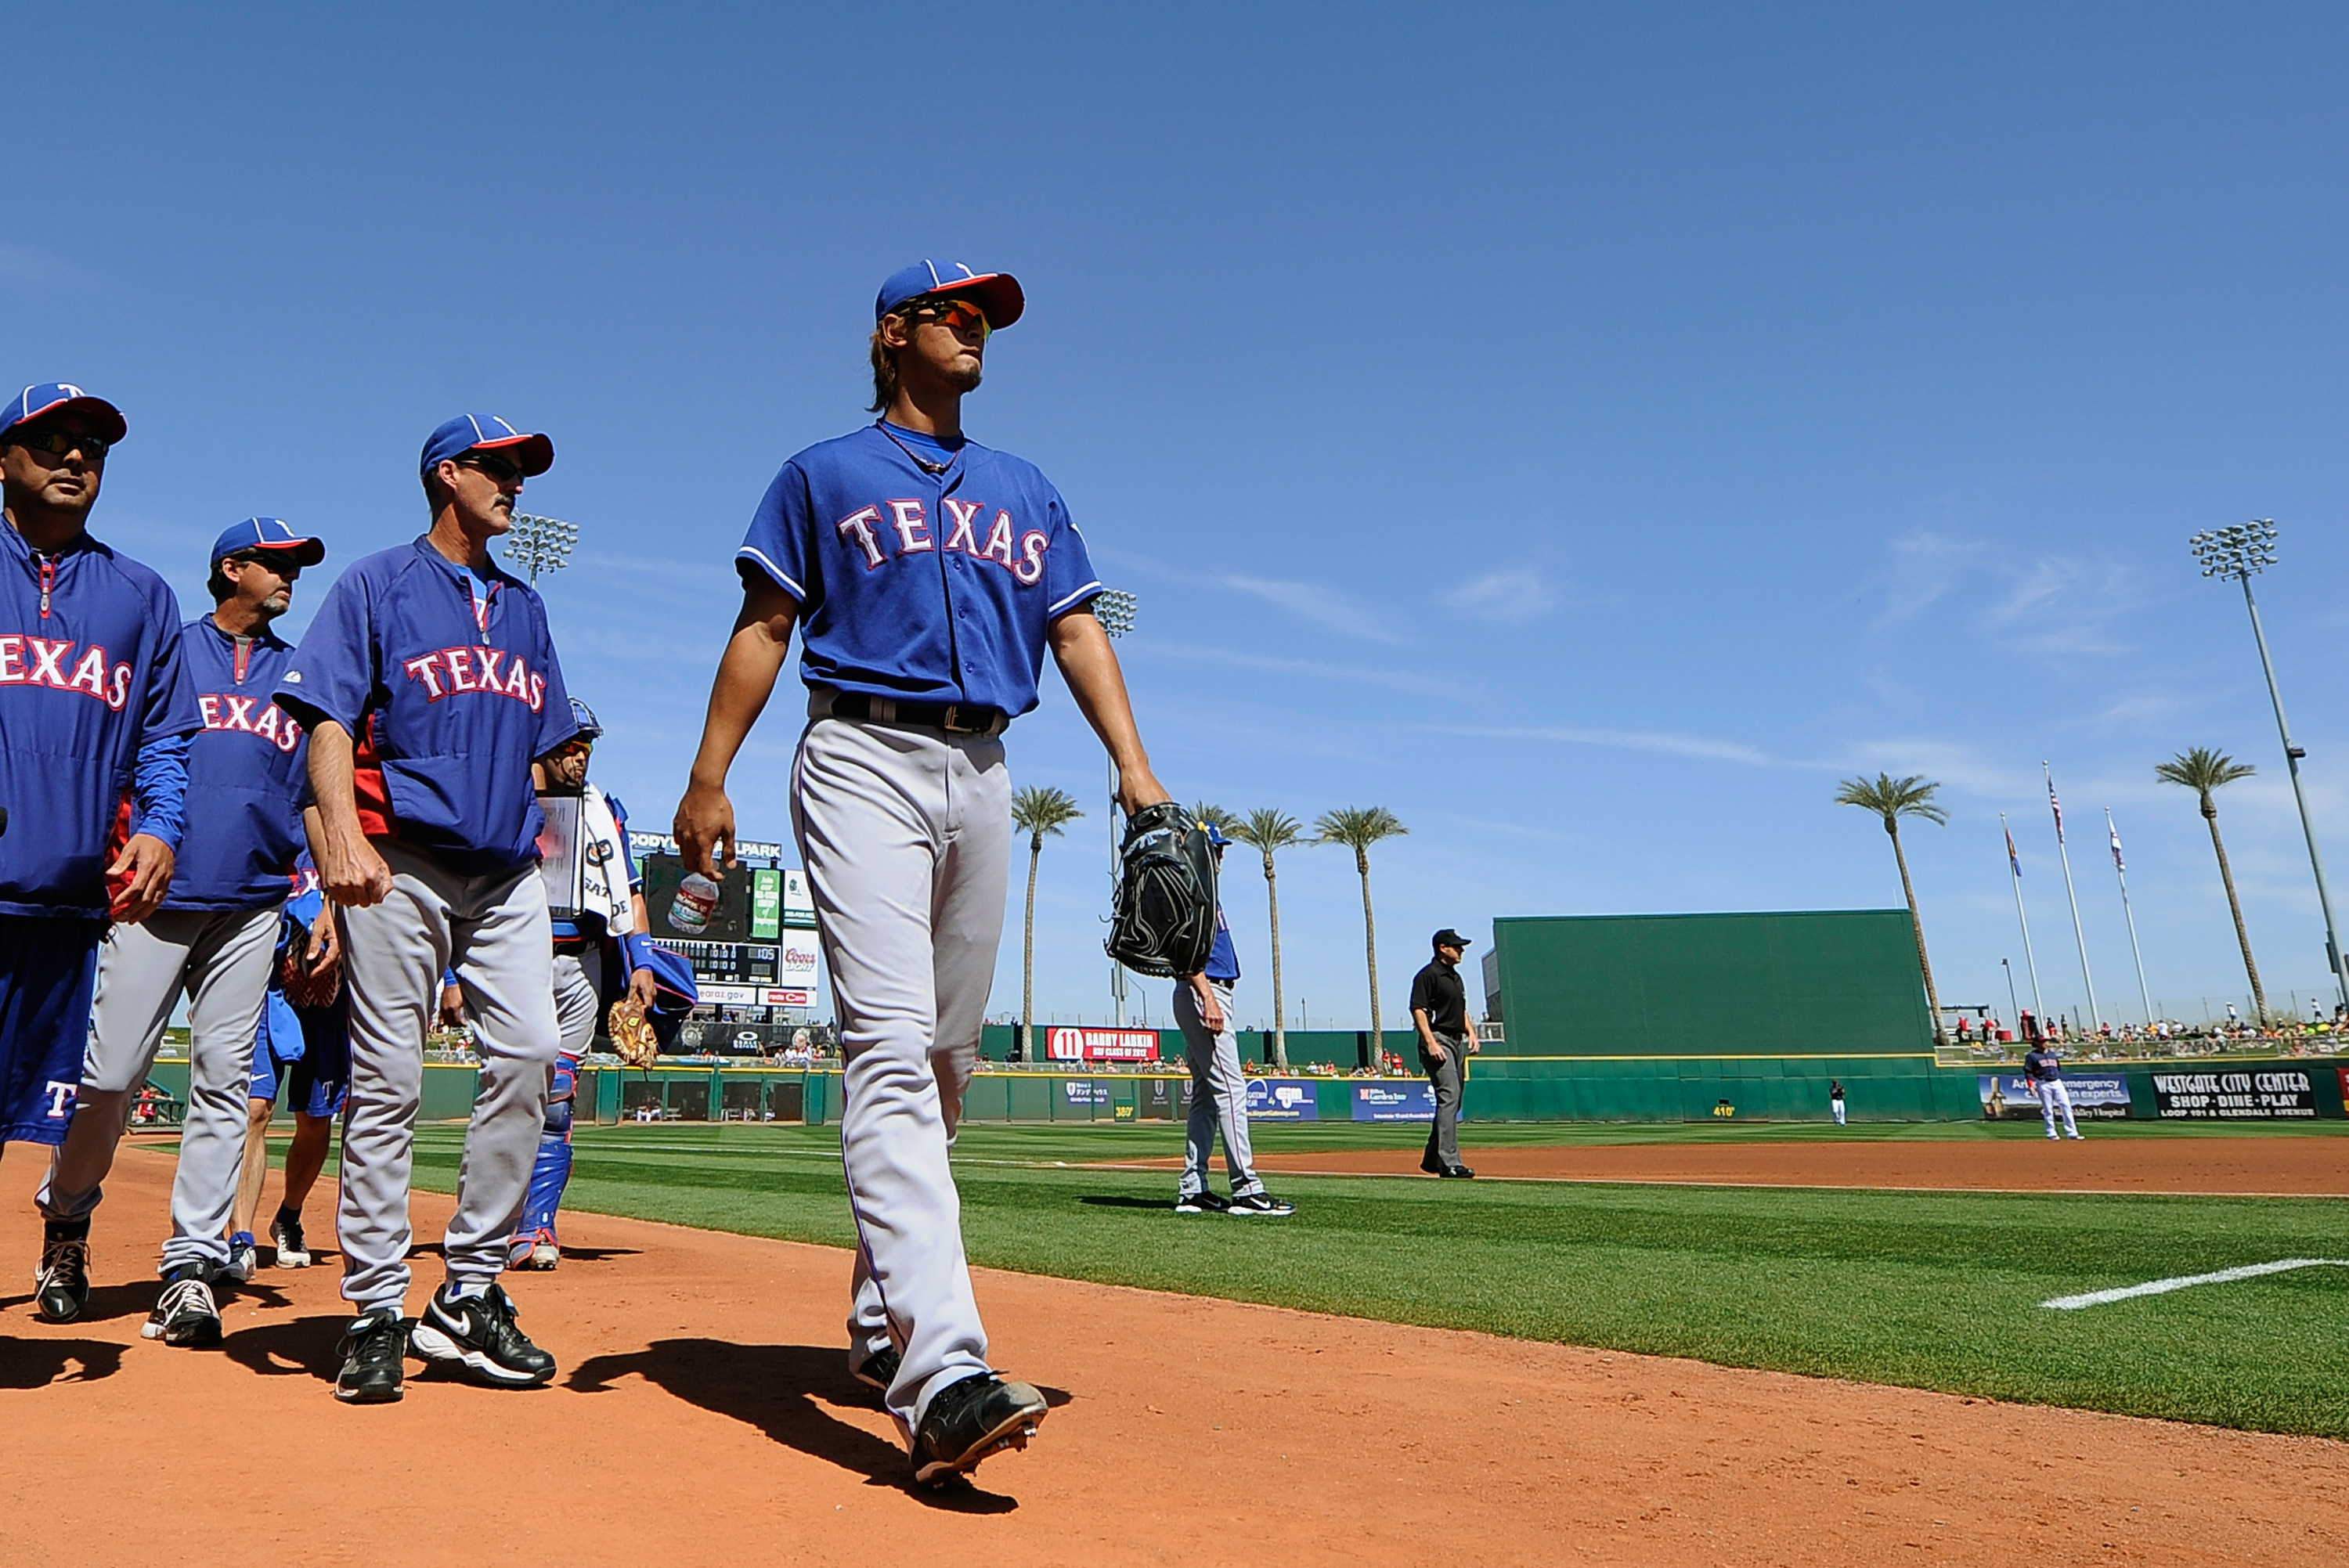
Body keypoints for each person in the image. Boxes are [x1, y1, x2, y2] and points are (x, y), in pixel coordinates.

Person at [674, 258, 1171, 1485]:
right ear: (892, 333)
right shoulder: (822, 472)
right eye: (956, 314)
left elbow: (1074, 626)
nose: (978, 331)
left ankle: (873, 1316)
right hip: (859, 752)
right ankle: (942, 1367)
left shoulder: (1025, 485)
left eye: (987, 318)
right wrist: (707, 774)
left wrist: (1136, 769)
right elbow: (765, 626)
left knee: (946, 1065)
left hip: (988, 767)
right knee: (891, 1048)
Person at [275, 413, 576, 1404]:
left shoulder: (526, 607)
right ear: (446, 475)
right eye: (499, 466)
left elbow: (551, 744)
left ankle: (469, 1293)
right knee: (389, 1077)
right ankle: (372, 1306)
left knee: (532, 1053)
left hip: (503, 871)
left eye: (521, 470)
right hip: (397, 861)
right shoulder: (375, 584)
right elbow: (324, 719)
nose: (515, 483)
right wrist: (340, 841)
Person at [35, 518, 326, 1343]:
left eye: (293, 566)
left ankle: (192, 1261)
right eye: (275, 563)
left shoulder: (296, 674)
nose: (288, 577)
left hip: (252, 901)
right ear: (230, 568)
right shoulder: (170, 649)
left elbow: (310, 794)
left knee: (225, 1083)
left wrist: (321, 900)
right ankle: (66, 1221)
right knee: (112, 1075)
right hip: (152, 897)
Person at [5, 386, 204, 1322]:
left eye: (92, 446)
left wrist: (162, 826)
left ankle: (63, 1238)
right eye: (51, 440)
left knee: (89, 1092)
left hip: (69, 905)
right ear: (4, 455)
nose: (75, 456)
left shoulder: (139, 595)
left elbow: (167, 739)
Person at [508, 697, 659, 1270]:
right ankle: (490, 1221)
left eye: (586, 746)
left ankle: (537, 1228)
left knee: (558, 1102)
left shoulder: (604, 810)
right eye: (570, 746)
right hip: (517, 957)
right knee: (510, 1092)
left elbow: (631, 890)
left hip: (583, 960)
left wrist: (640, 960)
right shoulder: (508, 798)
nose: (580, 757)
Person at [232, 856, 348, 1271]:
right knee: (255, 1110)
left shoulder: (350, 839)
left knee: (315, 1123)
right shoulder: (278, 832)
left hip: (330, 1000)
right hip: (269, 994)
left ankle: (289, 1216)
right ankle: (239, 1237)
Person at [1171, 824, 1292, 1217]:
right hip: (1204, 993)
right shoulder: (1191, 891)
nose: (1220, 857)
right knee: (1231, 1090)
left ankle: (1193, 1188)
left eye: (1220, 850)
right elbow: (1184, 952)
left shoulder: (1203, 890)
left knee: (1207, 1095)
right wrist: (1208, 997)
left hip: (1207, 993)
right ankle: (1247, 1189)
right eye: (1215, 850)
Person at [1409, 929, 1480, 1177]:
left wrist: (1471, 1031)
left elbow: (1461, 1009)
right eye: (1457, 946)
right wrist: (1430, 1042)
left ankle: (1431, 1159)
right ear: (1443, 948)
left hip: (1456, 1041)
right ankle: (1449, 1162)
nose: (1461, 951)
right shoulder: (1428, 975)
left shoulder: (1455, 978)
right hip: (1438, 1040)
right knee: (1449, 1097)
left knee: (1454, 1100)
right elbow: (1418, 1009)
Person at [2022, 1035, 2081, 1141]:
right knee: (2048, 1109)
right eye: (2042, 1041)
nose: (2045, 1043)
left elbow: (2058, 1068)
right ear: (2037, 1043)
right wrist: (2031, 1086)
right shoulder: (2032, 1056)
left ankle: (2072, 1133)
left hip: (2057, 1082)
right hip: (2043, 1083)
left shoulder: (2052, 1054)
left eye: (2046, 1041)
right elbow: (2028, 1072)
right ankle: (2051, 1133)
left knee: (2066, 1106)